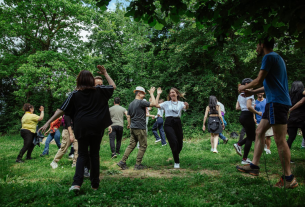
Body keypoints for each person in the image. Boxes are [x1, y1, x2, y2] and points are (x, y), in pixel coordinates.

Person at [39, 65, 116, 192]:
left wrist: (48, 122)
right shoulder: (99, 90)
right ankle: (95, 185)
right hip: (97, 126)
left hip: (82, 126)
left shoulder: (75, 94)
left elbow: (61, 109)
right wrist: (105, 73)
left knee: (82, 154)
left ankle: (76, 184)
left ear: (79, 81)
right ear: (91, 80)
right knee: (95, 154)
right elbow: (113, 86)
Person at [237, 37, 298, 189]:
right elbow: (265, 86)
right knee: (259, 131)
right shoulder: (277, 58)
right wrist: (252, 91)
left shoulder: (268, 57)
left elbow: (258, 79)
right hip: (276, 102)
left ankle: (289, 178)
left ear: (262, 45)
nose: (256, 48)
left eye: (257, 45)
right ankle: (254, 166)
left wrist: (243, 88)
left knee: (279, 140)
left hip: (276, 103)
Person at [117, 86, 156, 170]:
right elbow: (154, 104)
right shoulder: (141, 102)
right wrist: (152, 94)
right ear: (139, 93)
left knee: (131, 145)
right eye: (143, 93)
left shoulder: (131, 104)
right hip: (140, 128)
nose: (144, 95)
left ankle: (122, 162)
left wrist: (129, 124)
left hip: (133, 127)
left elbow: (128, 116)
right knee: (143, 146)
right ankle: (138, 165)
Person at [155, 87, 189, 169]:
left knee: (180, 144)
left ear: (177, 94)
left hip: (177, 122)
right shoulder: (166, 103)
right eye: (170, 93)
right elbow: (156, 105)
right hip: (168, 122)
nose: (171, 94)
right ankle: (176, 162)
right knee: (173, 141)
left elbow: (185, 108)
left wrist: (187, 105)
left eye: (173, 92)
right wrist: (158, 94)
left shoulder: (180, 103)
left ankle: (175, 154)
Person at [233, 78, 262, 164]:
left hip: (242, 116)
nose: (253, 85)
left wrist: (248, 106)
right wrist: (257, 112)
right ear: (247, 84)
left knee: (252, 136)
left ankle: (239, 145)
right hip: (248, 116)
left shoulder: (240, 95)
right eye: (251, 83)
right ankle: (244, 158)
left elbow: (237, 108)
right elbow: (249, 107)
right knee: (250, 137)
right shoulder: (249, 94)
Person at [286, 81, 305, 163]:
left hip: (292, 117)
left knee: (291, 138)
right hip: (302, 117)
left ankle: (286, 157)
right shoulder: (302, 92)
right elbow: (301, 102)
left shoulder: (290, 95)